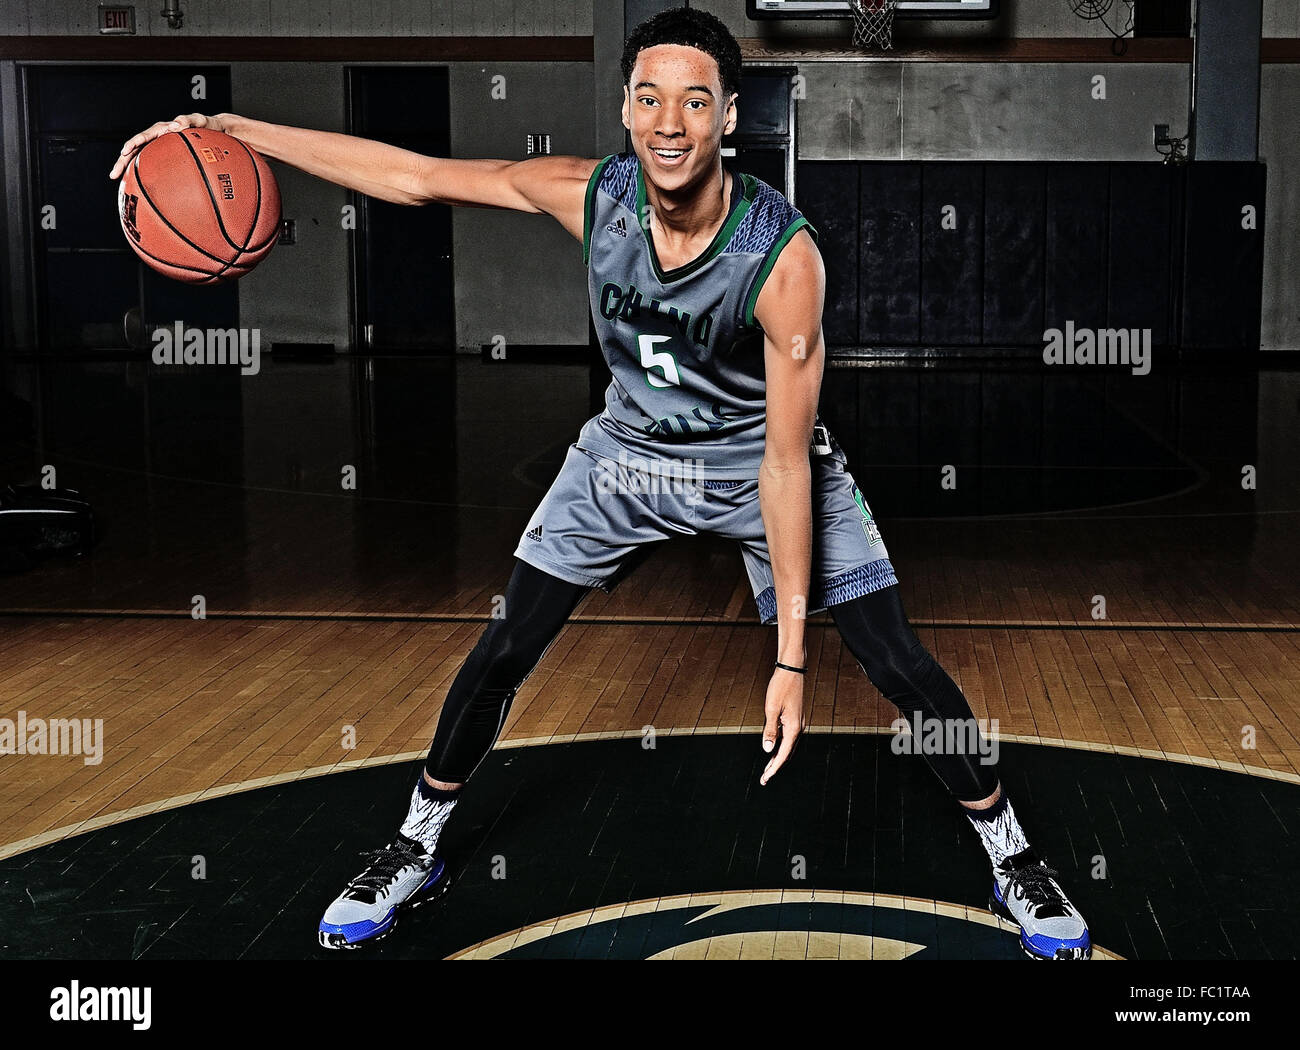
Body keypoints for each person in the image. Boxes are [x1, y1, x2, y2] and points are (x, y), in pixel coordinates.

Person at [110, 7, 1090, 961]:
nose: (670, 123)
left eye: (694, 102)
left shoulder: (782, 255)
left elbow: (786, 463)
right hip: (624, 457)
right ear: (625, 110)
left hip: (756, 461)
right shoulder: (589, 195)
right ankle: (412, 849)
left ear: (728, 118)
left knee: (896, 660)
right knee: (505, 644)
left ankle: (1014, 857)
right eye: (650, 100)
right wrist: (231, 129)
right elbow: (412, 178)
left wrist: (790, 660)